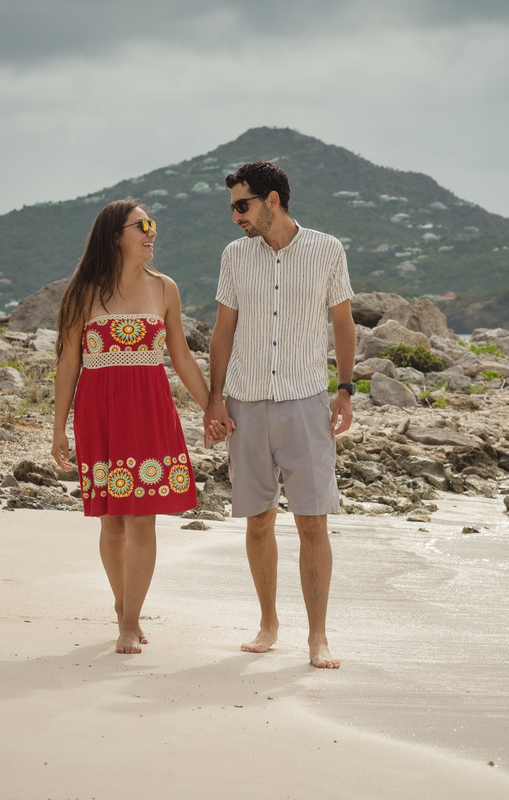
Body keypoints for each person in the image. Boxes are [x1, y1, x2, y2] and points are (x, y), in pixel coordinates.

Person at [203, 161, 356, 669]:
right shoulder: (234, 256)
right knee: (257, 521)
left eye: (241, 206)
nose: (235, 217)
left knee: (313, 521)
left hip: (307, 400)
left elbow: (342, 323)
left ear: (272, 200)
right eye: (231, 208)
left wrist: (345, 390)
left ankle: (318, 637)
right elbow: (223, 331)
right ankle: (268, 624)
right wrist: (214, 399)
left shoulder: (327, 249)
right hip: (245, 402)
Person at [52, 199, 211, 655]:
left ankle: (129, 621)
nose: (151, 232)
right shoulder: (83, 292)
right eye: (141, 225)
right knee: (113, 520)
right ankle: (124, 606)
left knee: (144, 518)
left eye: (152, 223)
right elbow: (68, 363)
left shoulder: (165, 289)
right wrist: (59, 428)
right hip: (99, 412)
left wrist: (211, 408)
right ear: (115, 235)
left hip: (148, 411)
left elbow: (180, 357)